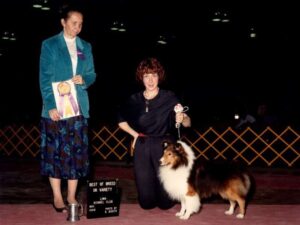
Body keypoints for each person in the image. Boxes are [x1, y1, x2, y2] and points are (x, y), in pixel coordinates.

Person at [39, 5, 96, 213]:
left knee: (76, 154)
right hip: (55, 109)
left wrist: (84, 79)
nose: (78, 28)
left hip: (78, 107)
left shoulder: (85, 46)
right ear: (63, 22)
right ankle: (57, 196)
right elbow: (44, 78)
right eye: (74, 23)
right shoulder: (50, 45)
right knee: (54, 153)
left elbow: (92, 74)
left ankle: (71, 195)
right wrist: (51, 106)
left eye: (81, 24)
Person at [118, 57, 191, 210]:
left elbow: (187, 123)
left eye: (154, 75)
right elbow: (120, 121)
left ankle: (169, 195)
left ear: (159, 77)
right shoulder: (134, 99)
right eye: (146, 76)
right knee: (146, 203)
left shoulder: (169, 97)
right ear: (141, 78)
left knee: (165, 204)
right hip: (142, 145)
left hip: (164, 146)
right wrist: (135, 135)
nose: (150, 80)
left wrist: (183, 117)